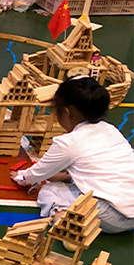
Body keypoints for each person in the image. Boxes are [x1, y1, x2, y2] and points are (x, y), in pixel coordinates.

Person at [10, 77, 134, 234]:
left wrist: (21, 177)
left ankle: (63, 221)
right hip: (130, 216)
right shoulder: (110, 129)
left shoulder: (67, 143)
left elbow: (35, 175)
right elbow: (105, 171)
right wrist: (65, 177)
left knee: (50, 191)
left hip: (108, 215)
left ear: (66, 112)